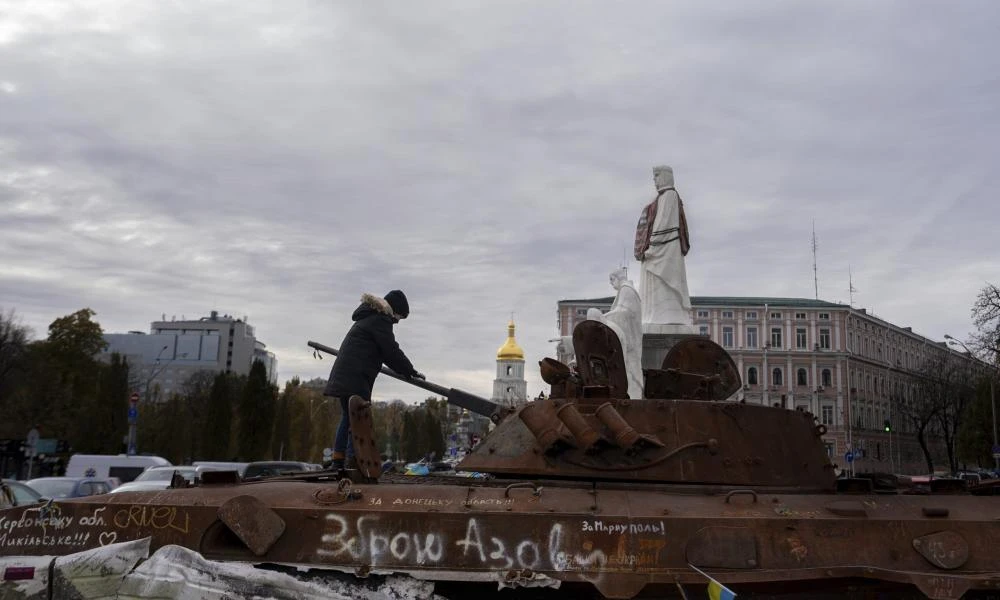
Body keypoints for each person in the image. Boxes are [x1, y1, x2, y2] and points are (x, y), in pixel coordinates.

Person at [324, 290, 423, 471]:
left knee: (348, 416)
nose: (398, 321)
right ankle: (353, 461)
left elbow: (384, 352)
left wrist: (406, 370)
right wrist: (410, 371)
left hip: (346, 374)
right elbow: (390, 350)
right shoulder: (380, 320)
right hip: (357, 376)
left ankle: (338, 460)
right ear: (394, 310)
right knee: (357, 418)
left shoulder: (367, 318)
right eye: (400, 316)